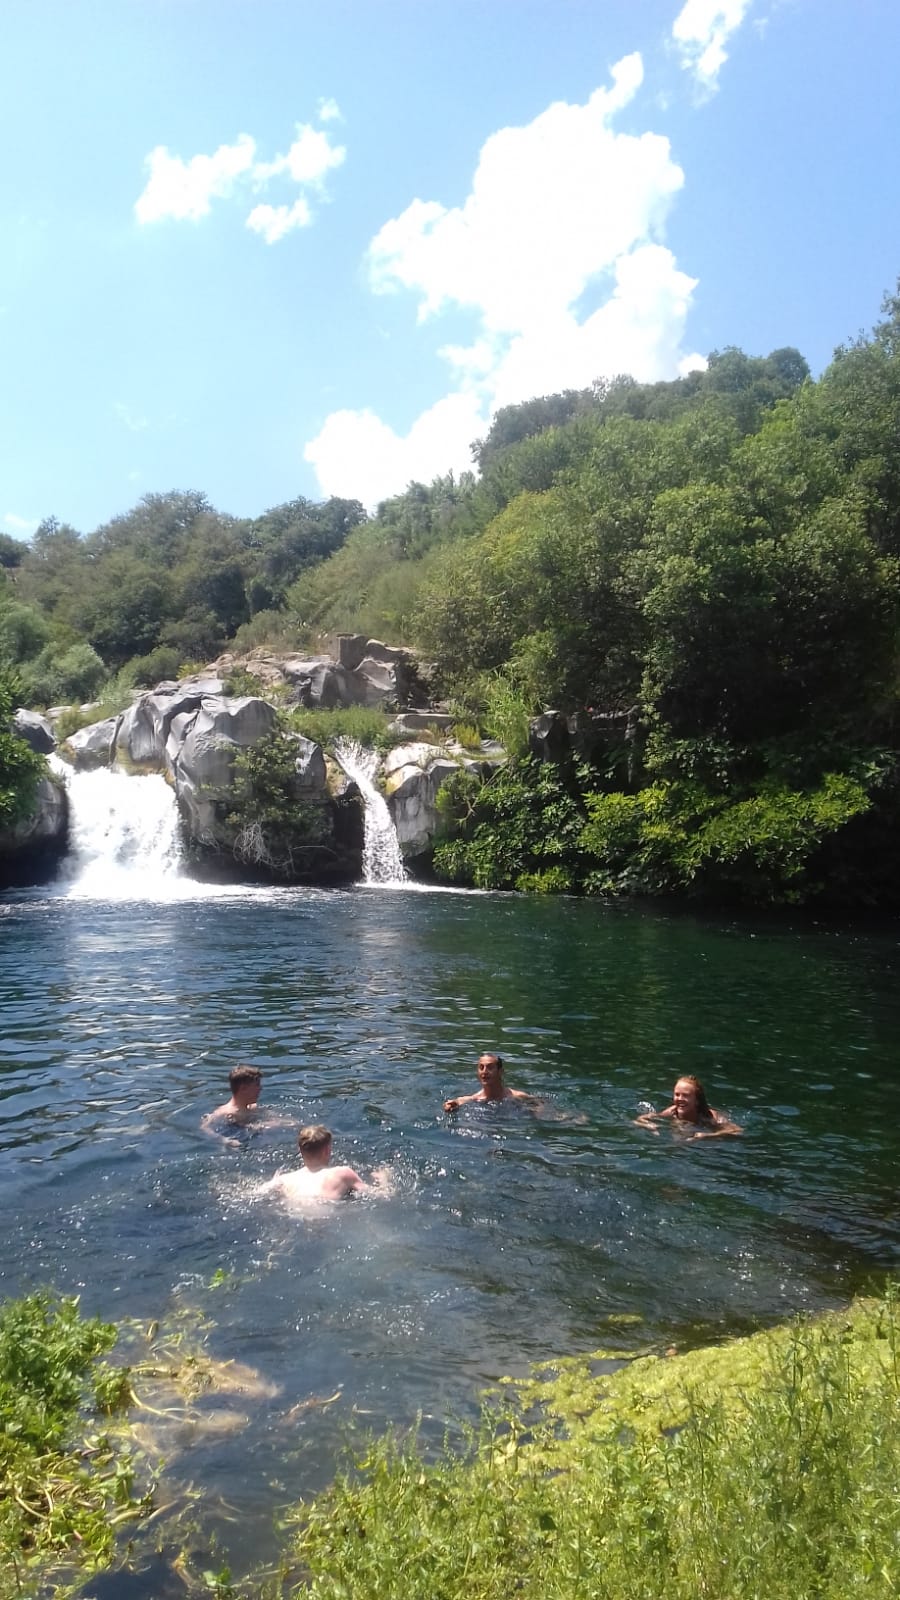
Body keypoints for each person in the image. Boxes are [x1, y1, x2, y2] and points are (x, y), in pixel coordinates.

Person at [259, 1124, 392, 1203]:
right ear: (327, 1150)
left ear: (300, 1150)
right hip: (326, 1214)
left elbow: (256, 1194)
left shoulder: (283, 1180)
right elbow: (382, 1196)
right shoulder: (342, 1173)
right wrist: (383, 1179)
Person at [634, 1075, 742, 1140]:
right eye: (677, 1094)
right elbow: (639, 1120)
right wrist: (649, 1125)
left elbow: (737, 1131)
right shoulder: (672, 1111)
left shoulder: (711, 1116)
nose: (680, 1099)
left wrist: (708, 1136)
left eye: (685, 1095)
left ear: (697, 1100)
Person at [443, 1053, 541, 1114]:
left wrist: (538, 1113)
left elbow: (540, 1104)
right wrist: (451, 1106)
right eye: (481, 1067)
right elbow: (456, 1102)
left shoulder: (518, 1096)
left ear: (500, 1072)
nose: (484, 1072)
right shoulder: (473, 1100)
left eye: (490, 1067)